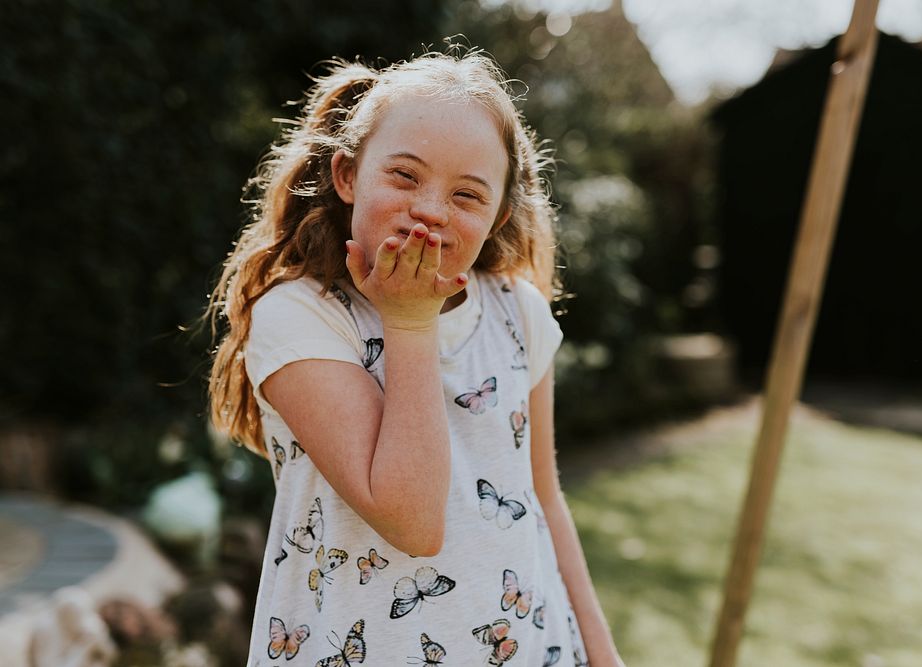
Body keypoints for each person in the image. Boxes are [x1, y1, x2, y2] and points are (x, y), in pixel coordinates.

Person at [206, 49, 624, 666]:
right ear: (348, 175)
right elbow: (411, 521)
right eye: (405, 176)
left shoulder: (519, 315)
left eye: (467, 195)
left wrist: (603, 653)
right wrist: (407, 320)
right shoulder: (302, 316)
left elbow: (543, 498)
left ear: (496, 217)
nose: (431, 209)